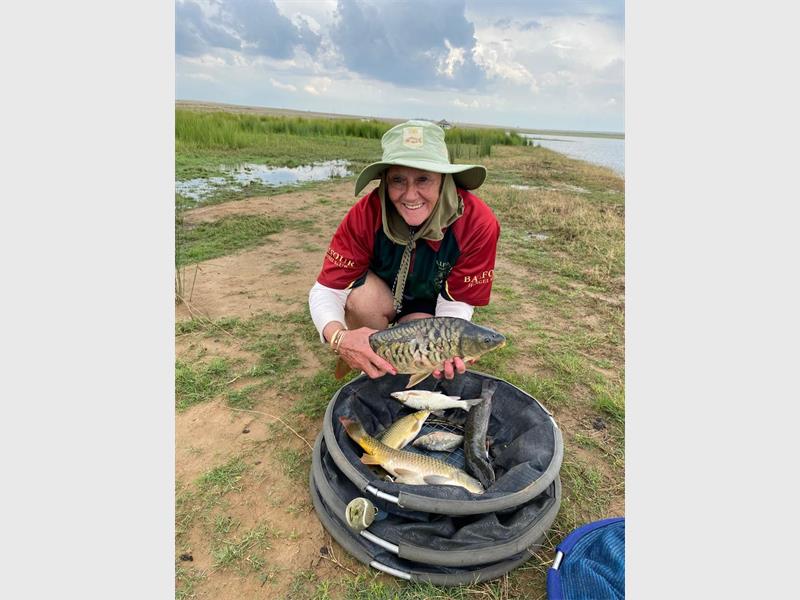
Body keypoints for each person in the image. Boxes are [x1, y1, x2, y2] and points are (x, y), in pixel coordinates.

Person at [308, 119, 500, 381]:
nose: (410, 195)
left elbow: (456, 304)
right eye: (398, 180)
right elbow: (327, 289)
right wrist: (339, 338)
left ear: (444, 179)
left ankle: (399, 363)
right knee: (360, 301)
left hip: (428, 310)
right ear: (385, 181)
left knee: (432, 357)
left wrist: (446, 349)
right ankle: (367, 357)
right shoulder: (366, 214)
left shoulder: (477, 222)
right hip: (380, 298)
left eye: (423, 179)